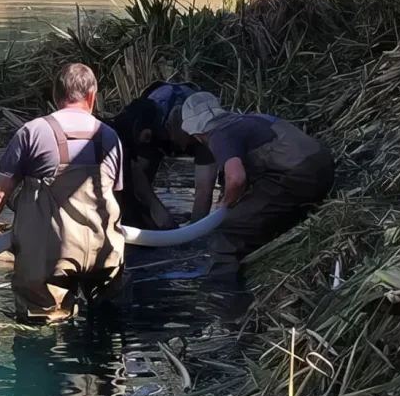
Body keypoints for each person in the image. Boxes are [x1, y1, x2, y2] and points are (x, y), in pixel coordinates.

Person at [0, 62, 126, 323]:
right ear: (92, 96)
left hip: (49, 258)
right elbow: (116, 200)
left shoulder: (33, 132)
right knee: (107, 325)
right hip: (105, 255)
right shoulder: (110, 137)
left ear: (55, 96)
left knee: (41, 329)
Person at [177, 92, 334, 274]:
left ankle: (219, 291)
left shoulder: (219, 134)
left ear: (196, 133)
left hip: (300, 177)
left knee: (229, 229)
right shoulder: (248, 119)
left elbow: (236, 178)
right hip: (323, 165)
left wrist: (224, 204)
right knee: (250, 210)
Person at [108, 81, 218, 230]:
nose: (183, 146)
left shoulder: (204, 131)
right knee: (138, 186)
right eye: (179, 140)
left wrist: (193, 233)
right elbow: (136, 172)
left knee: (204, 196)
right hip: (156, 129)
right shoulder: (148, 125)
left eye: (186, 141)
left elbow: (204, 191)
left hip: (193, 126)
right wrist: (155, 207)